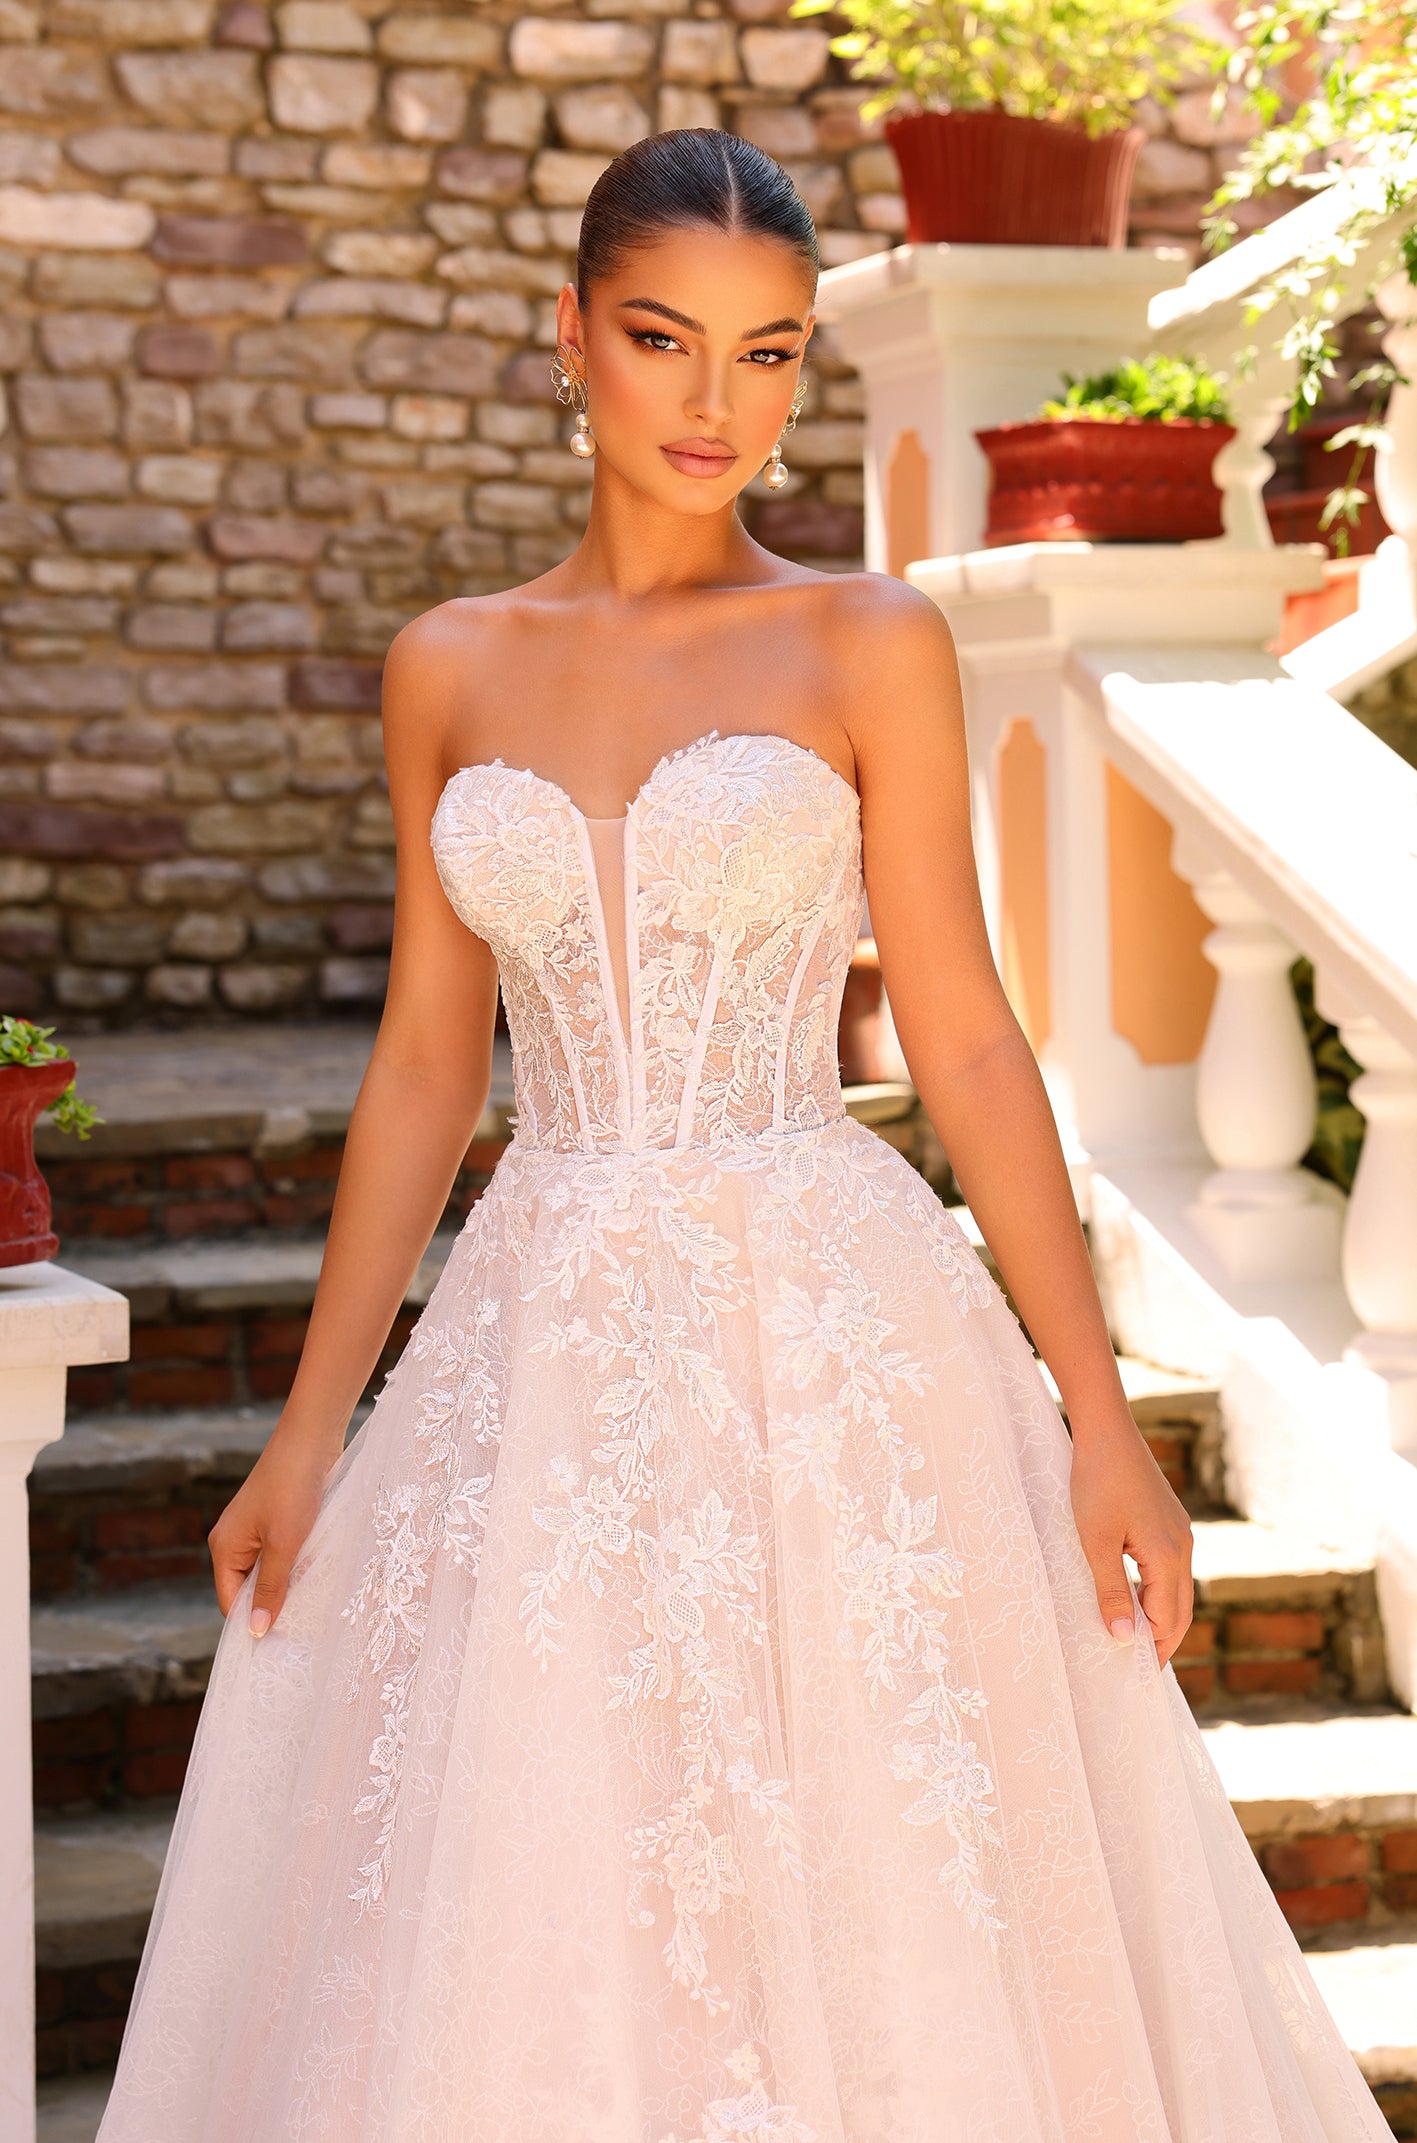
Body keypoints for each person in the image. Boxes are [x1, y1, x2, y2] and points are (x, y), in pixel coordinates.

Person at [97, 129, 1390, 2143]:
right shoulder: (448, 667)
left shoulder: (864, 639)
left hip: (830, 1329)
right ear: (568, 337)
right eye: (664, 339)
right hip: (542, 1336)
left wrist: (1098, 1418)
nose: (720, 403)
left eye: (770, 353)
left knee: (876, 1866)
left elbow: (965, 1034)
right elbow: (430, 1069)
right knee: (551, 1868)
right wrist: (306, 1429)